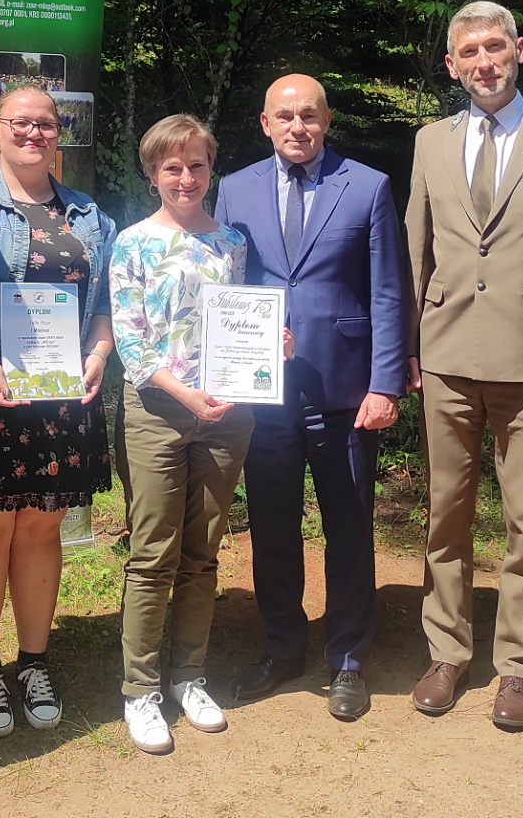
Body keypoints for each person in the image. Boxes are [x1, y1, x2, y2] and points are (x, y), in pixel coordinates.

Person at [215, 75, 407, 719]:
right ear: (265, 124)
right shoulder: (235, 188)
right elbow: (224, 284)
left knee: (348, 525)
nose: (297, 127)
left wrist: (385, 382)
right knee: (271, 524)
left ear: (326, 120)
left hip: (347, 389)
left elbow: (387, 291)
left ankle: (348, 657)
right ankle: (282, 646)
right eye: (284, 117)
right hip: (264, 391)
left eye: (309, 116)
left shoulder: (368, 185)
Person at [0, 83, 115, 737]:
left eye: (46, 124)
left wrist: (98, 354)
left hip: (61, 401)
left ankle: (33, 662)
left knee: (40, 533)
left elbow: (104, 307)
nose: (34, 133)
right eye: (21, 123)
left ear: (58, 133)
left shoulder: (91, 215)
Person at [405, 1, 523, 731]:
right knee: (445, 515)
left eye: (497, 46)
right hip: (446, 355)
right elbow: (417, 245)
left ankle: (520, 666)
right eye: (471, 51)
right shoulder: (430, 141)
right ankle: (448, 651)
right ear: (452, 63)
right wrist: (407, 344)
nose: (485, 61)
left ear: (519, 50)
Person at [110, 114, 255, 754]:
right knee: (153, 552)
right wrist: (185, 392)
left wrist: (268, 346)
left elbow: (240, 321)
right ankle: (140, 689)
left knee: (202, 551)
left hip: (227, 414)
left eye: (196, 165)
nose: (186, 177)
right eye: (173, 166)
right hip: (157, 411)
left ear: (209, 169)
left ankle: (188, 676)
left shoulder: (232, 243)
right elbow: (131, 342)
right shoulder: (132, 243)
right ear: (153, 174)